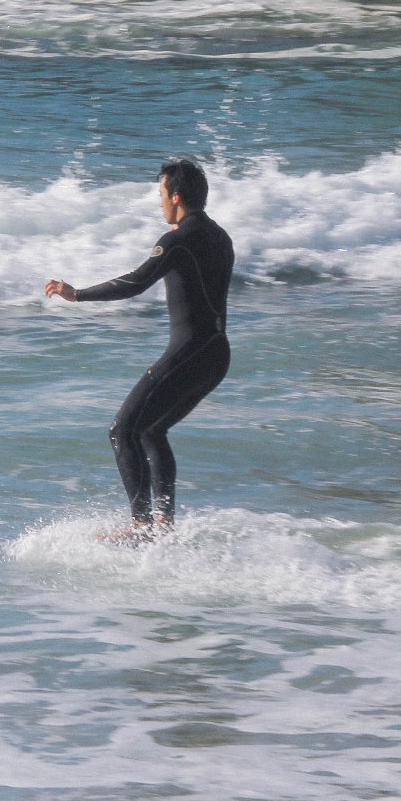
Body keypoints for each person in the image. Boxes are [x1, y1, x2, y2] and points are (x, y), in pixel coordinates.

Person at [44, 159, 234, 543]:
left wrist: (76, 293)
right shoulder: (220, 236)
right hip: (217, 354)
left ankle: (142, 525)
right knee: (152, 429)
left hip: (191, 352)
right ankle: (163, 525)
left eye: (161, 194)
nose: (159, 203)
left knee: (122, 430)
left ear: (176, 197)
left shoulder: (178, 240)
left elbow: (135, 282)